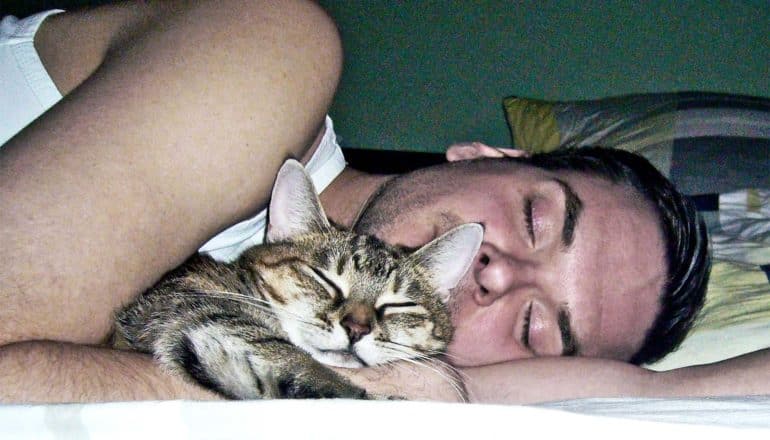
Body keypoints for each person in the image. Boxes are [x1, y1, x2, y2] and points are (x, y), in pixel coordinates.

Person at [0, 0, 764, 404]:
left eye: (535, 327)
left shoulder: (389, 352)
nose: (501, 275)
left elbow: (645, 393)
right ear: (490, 155)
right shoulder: (271, 58)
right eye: (537, 219)